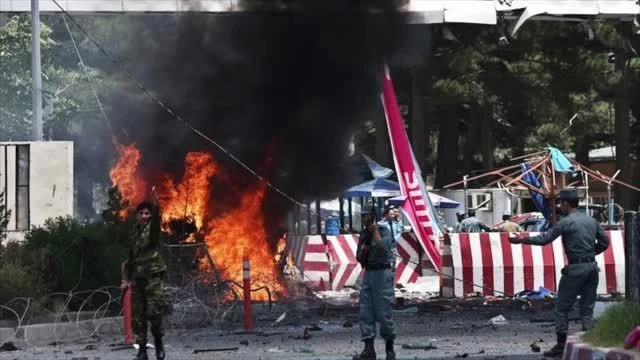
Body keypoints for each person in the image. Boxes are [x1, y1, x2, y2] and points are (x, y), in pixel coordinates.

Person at [508, 189, 609, 357]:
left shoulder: (566, 222)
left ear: (566, 204)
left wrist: (521, 240)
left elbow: (545, 239)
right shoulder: (591, 221)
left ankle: (561, 346)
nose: (560, 207)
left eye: (561, 204)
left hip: (575, 270)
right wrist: (590, 254)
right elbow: (605, 242)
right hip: (592, 268)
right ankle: (590, 346)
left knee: (562, 309)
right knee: (587, 309)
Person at [122, 187, 167, 360]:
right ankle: (142, 350)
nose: (144, 216)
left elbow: (157, 217)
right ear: (137, 216)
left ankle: (158, 344)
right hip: (138, 279)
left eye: (147, 213)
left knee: (154, 312)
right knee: (138, 316)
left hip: (153, 277)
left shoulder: (153, 230)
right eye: (141, 213)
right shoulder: (134, 234)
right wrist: (126, 279)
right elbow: (130, 259)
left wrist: (155, 200)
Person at [355, 205, 400, 360]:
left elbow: (384, 250)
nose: (364, 219)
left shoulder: (383, 230)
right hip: (369, 273)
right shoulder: (363, 234)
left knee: (383, 312)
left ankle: (389, 348)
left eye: (367, 216)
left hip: (382, 274)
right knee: (365, 311)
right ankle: (369, 348)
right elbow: (359, 257)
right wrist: (363, 250)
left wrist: (374, 232)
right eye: (362, 216)